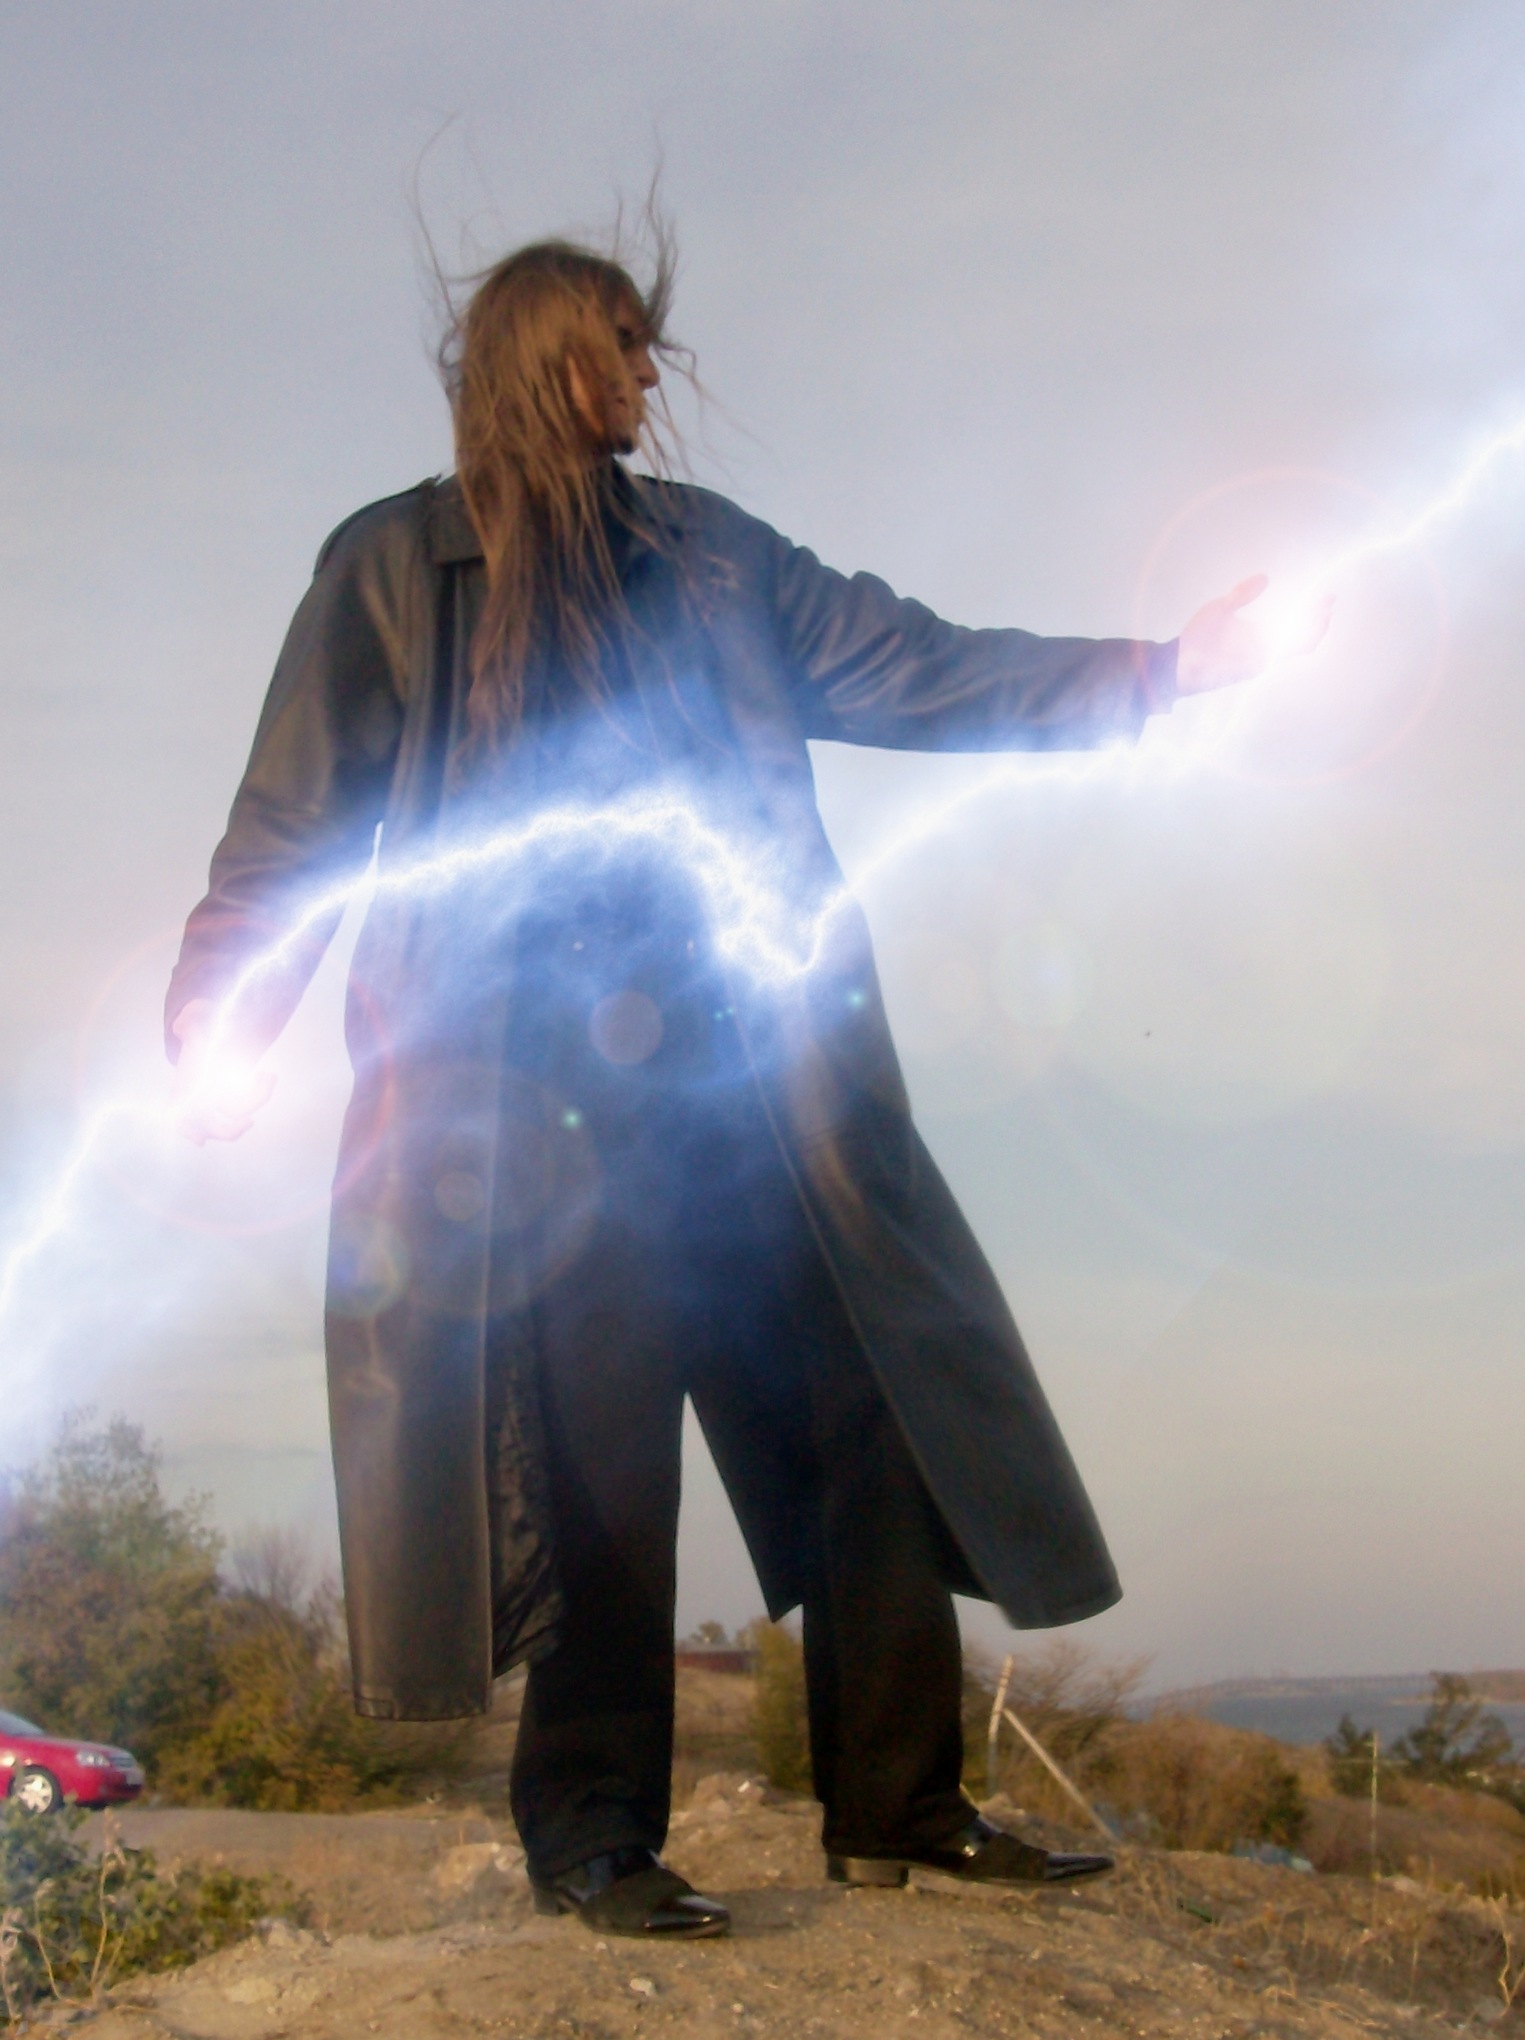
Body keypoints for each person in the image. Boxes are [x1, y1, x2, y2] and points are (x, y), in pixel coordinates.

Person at [166, 234, 1287, 1940]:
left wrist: (1159, 671)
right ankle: (596, 1835)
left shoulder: (715, 561)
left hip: (755, 1083)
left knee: (861, 1415)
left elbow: (917, 662)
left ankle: (898, 1809)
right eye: (621, 340)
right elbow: (291, 821)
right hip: (537, 1112)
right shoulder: (396, 567)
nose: (647, 372)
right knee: (596, 1464)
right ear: (544, 355)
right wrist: (224, 1007)